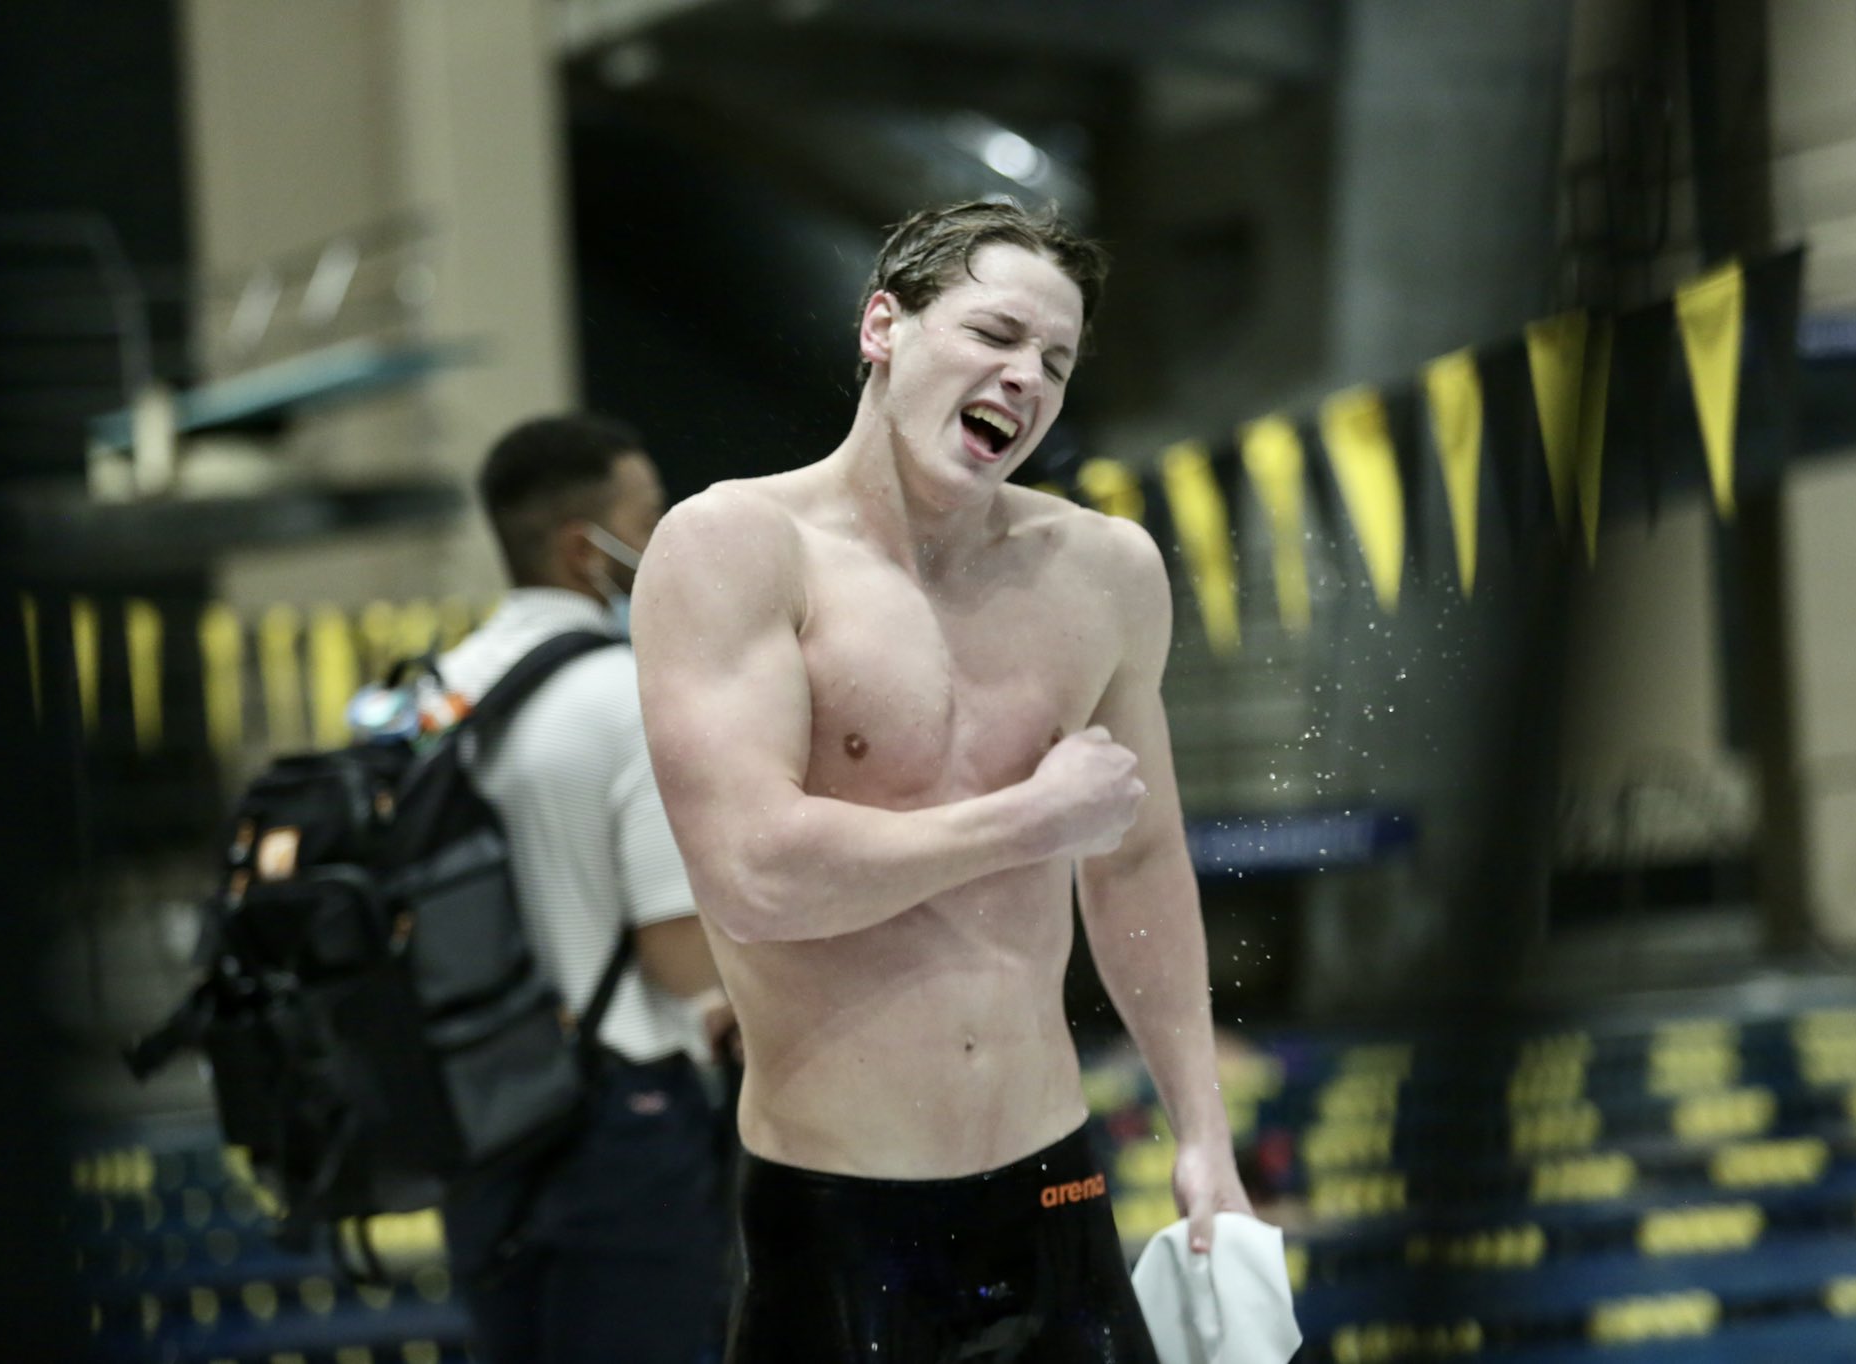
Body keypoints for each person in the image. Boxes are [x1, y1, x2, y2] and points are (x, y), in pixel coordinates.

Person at [633, 202, 1253, 1361]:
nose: (1024, 378)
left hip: (1055, 1190)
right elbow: (756, 874)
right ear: (883, 325)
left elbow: (1135, 857)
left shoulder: (1103, 571)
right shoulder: (734, 548)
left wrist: (1201, 1133)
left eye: (1054, 362)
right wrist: (1027, 819)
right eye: (995, 334)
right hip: (842, 1216)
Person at [435, 414, 735, 1364]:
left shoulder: (438, 693)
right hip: (618, 1124)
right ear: (583, 549)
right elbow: (675, 948)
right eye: (649, 520)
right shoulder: (625, 694)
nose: (666, 543)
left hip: (477, 1114)